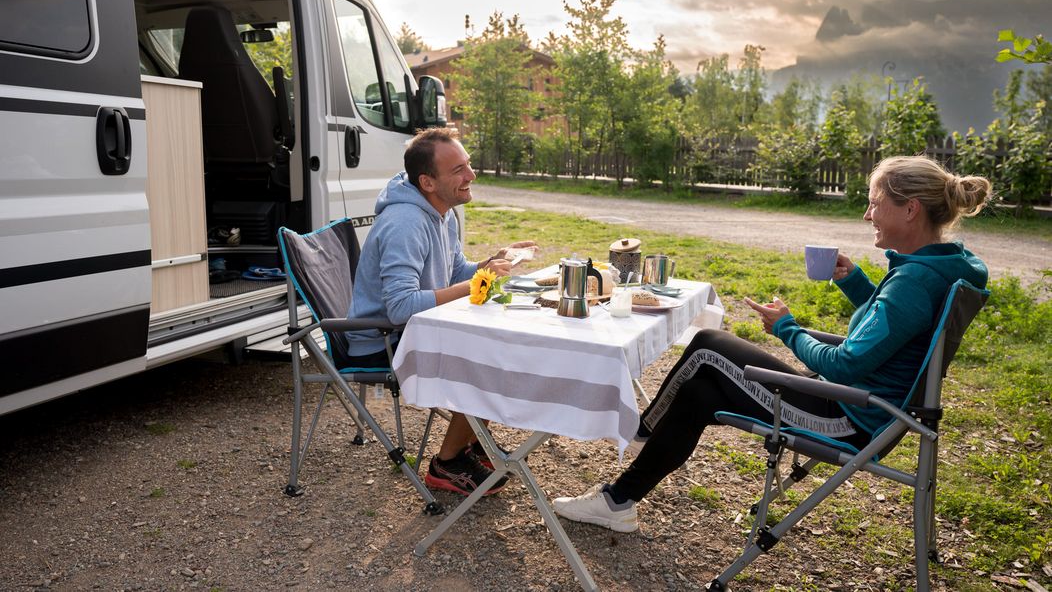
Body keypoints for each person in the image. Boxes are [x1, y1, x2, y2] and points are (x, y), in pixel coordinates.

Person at [553, 155, 992, 532]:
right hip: (873, 407)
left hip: (848, 415)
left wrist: (787, 328)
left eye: (874, 203)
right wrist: (858, 284)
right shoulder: (941, 266)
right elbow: (899, 328)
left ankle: (639, 430)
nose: (867, 215)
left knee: (708, 343)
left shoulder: (915, 281)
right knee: (699, 391)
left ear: (911, 209)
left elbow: (845, 365)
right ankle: (618, 501)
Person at [345, 127, 536, 496]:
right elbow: (400, 307)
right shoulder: (406, 223)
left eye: (468, 165)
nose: (471, 176)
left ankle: (470, 443)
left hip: (414, 331)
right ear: (427, 182)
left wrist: (493, 261)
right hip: (383, 342)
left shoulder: (440, 212)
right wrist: (479, 283)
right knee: (485, 357)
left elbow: (454, 271)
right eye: (458, 170)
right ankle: (448, 464)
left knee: (500, 340)